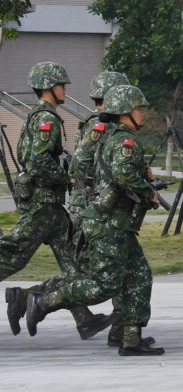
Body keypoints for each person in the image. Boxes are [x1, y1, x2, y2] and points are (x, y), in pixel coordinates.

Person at [26, 85, 165, 356]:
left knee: (139, 276)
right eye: (139, 108)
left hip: (113, 222)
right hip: (109, 223)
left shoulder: (107, 138)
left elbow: (92, 168)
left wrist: (142, 176)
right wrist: (150, 193)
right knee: (105, 284)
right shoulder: (126, 142)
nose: (143, 113)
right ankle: (43, 302)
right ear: (125, 112)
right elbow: (124, 175)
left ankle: (131, 339)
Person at [1, 62, 111, 339]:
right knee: (13, 255)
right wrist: (66, 178)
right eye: (62, 85)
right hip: (42, 205)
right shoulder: (44, 118)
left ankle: (83, 318)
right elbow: (38, 161)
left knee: (74, 264)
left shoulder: (44, 115)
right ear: (49, 88)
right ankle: (22, 300)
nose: (65, 89)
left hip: (50, 206)